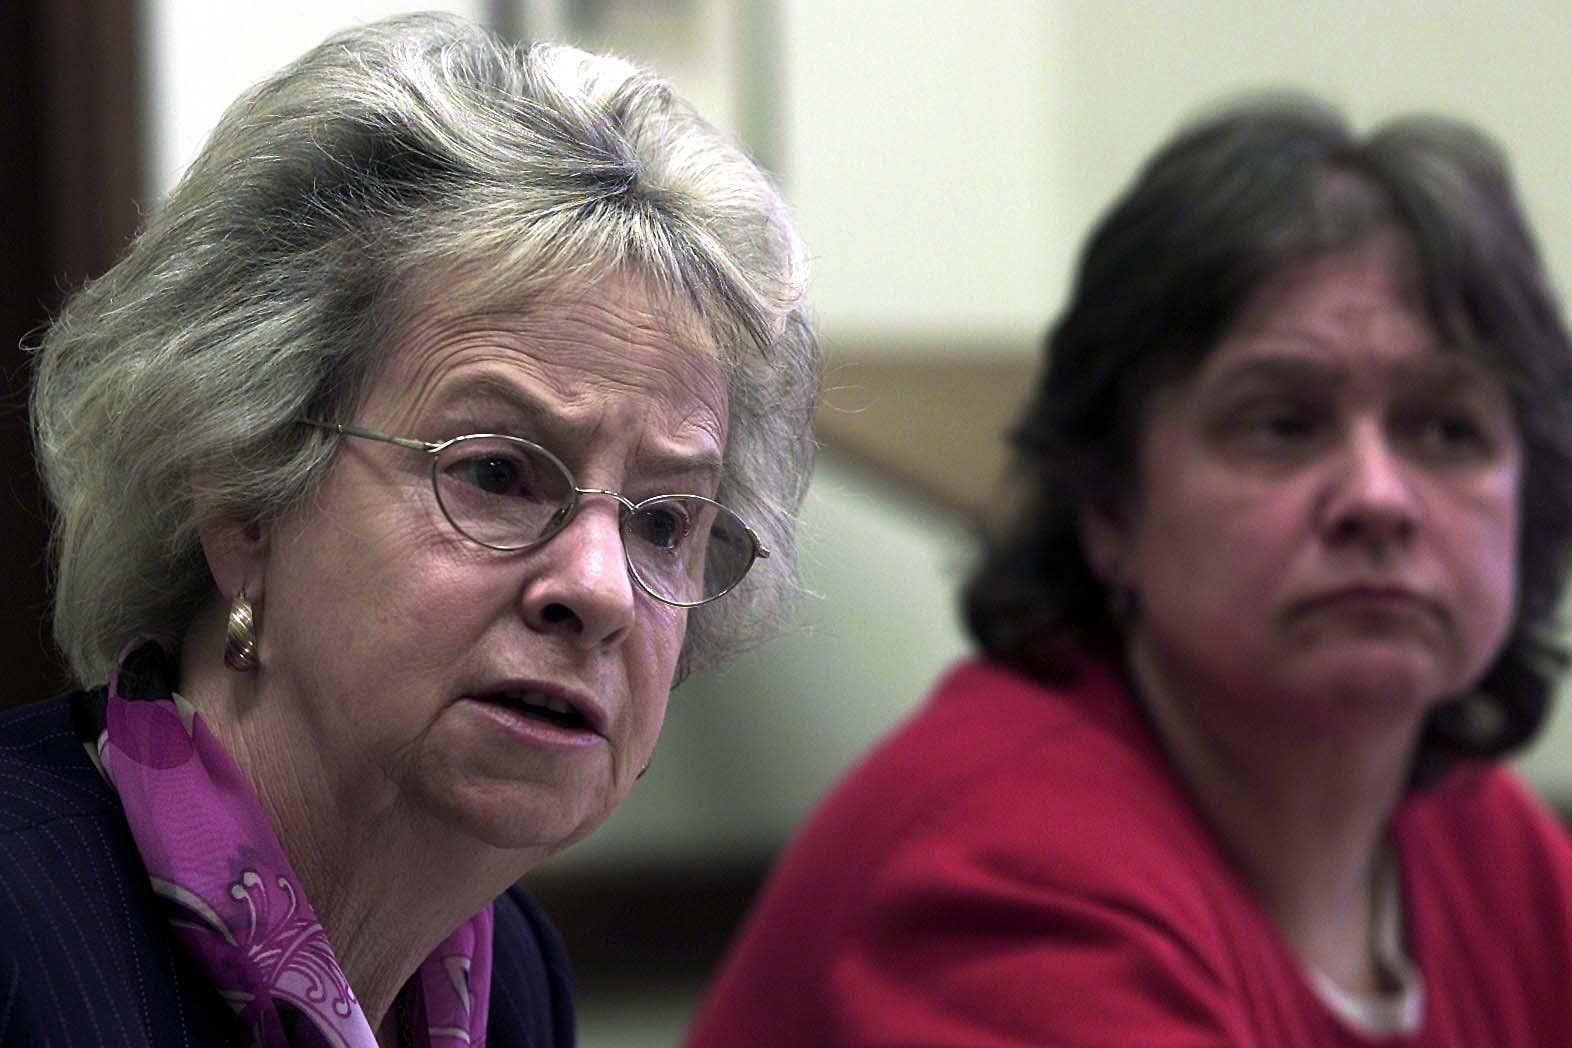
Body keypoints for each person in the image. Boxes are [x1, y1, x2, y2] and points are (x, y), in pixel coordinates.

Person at [686, 96, 1572, 1046]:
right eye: (1282, 424)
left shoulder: (1486, 841)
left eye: (1447, 430)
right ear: (1110, 508)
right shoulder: (1005, 867)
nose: (1379, 498)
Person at [10, 12, 817, 1046]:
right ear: (244, 496)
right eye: (496, 472)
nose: (604, 587)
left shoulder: (509, 972)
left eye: (664, 519)